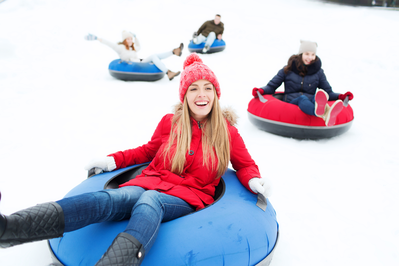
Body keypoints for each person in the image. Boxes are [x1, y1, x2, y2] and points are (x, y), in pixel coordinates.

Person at [0, 53, 271, 266]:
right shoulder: (170, 123)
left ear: (216, 93)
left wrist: (254, 180)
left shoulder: (228, 133)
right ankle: (11, 228)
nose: (202, 95)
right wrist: (112, 161)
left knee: (149, 200)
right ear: (184, 95)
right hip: (151, 182)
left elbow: (244, 164)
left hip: (188, 196)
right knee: (112, 198)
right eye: (194, 89)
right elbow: (146, 152)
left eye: (208, 88)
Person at [252, 40, 354, 127]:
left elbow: (328, 92)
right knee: (302, 98)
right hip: (291, 102)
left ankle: (324, 111)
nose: (310, 57)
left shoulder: (318, 72)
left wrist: (341, 96)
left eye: (313, 55)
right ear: (301, 54)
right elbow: (271, 86)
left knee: (317, 96)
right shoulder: (287, 70)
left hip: (310, 101)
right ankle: (322, 114)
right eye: (307, 54)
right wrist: (261, 90)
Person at [85, 31, 183, 81]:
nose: (130, 41)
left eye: (130, 39)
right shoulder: (120, 48)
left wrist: (135, 37)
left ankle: (174, 52)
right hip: (134, 64)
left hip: (140, 62)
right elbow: (109, 44)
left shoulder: (133, 48)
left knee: (155, 56)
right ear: (124, 40)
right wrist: (97, 38)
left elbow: (139, 46)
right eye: (128, 39)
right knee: (154, 56)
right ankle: (168, 72)